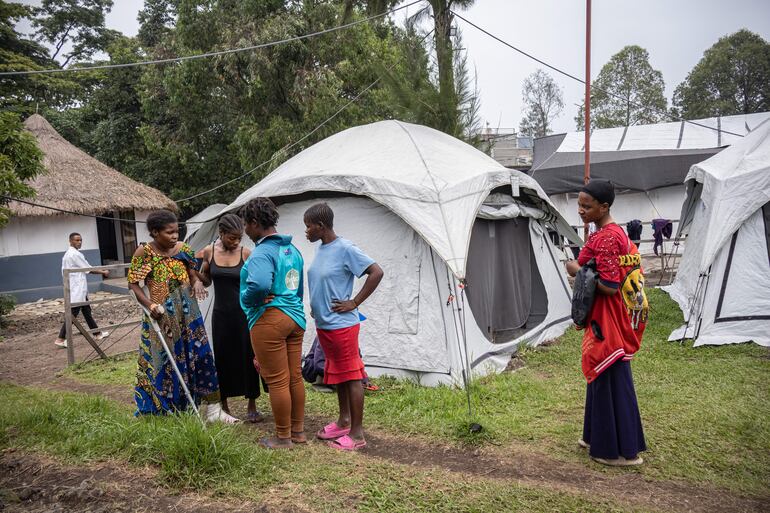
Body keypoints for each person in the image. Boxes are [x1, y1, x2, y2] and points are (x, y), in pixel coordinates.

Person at [565, 180, 648, 467]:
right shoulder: (613, 233)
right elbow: (593, 262)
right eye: (579, 205)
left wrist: (575, 269)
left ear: (604, 207)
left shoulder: (606, 238)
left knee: (609, 375)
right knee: (603, 377)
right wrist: (580, 265)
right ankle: (594, 437)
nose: (580, 211)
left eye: (586, 206)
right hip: (617, 316)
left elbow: (610, 286)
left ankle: (618, 450)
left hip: (609, 317)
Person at [128, 210, 237, 423]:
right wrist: (150, 304)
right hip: (162, 318)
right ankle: (166, 410)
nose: (174, 236)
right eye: (169, 232)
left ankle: (213, 411)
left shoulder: (185, 250)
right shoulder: (145, 253)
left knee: (201, 356)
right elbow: (133, 283)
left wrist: (196, 281)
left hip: (190, 317)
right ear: (154, 232)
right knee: (165, 362)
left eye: (176, 231)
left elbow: (197, 277)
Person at [304, 202, 384, 451]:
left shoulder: (345, 248)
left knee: (352, 377)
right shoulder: (323, 248)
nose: (306, 232)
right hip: (325, 325)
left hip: (342, 326)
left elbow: (376, 272)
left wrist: (355, 302)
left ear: (321, 226)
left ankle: (357, 434)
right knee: (338, 374)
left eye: (308, 227)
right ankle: (343, 421)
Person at [239, 198, 306, 449]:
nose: (245, 230)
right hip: (294, 318)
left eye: (246, 224)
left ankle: (282, 437)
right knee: (294, 377)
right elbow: (298, 286)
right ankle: (298, 432)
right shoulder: (293, 250)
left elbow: (258, 285)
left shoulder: (263, 252)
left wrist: (247, 298)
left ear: (255, 223)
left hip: (269, 319)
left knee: (277, 380)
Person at [195, 213, 266, 423]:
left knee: (248, 355)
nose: (236, 242)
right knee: (223, 357)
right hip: (221, 314)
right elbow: (207, 280)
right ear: (221, 233)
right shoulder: (209, 252)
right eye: (232, 237)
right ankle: (223, 403)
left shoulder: (246, 253)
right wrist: (196, 278)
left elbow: (257, 282)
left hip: (243, 314)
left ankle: (252, 402)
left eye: (239, 238)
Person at [55, 232, 110, 348]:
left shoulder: (68, 254)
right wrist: (103, 272)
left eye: (80, 240)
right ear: (70, 241)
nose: (79, 242)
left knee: (86, 311)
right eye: (76, 240)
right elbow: (88, 269)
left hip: (77, 288)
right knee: (72, 314)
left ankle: (97, 333)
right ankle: (60, 338)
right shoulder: (74, 254)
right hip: (76, 289)